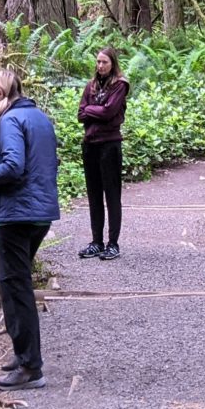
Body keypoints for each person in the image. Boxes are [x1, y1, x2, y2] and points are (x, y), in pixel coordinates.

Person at [0, 66, 59, 390]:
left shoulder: (10, 120)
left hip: (15, 216)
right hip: (38, 215)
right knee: (15, 284)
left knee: (15, 286)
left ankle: (29, 366)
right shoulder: (39, 117)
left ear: (4, 93)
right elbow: (51, 162)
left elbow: (12, 166)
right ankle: (23, 354)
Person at [76, 46, 129, 260]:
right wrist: (94, 110)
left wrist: (93, 110)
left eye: (104, 62)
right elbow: (80, 113)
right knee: (94, 194)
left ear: (112, 63)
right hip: (90, 144)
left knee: (112, 195)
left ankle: (113, 243)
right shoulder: (91, 86)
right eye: (98, 62)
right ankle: (96, 241)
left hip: (110, 144)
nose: (100, 66)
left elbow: (109, 112)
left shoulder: (120, 85)